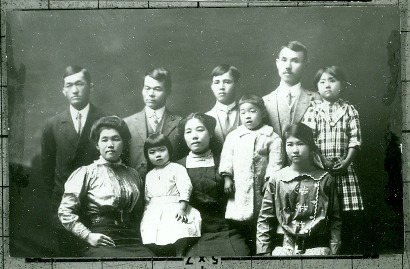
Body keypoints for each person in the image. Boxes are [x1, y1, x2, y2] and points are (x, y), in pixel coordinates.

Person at [58, 116, 155, 257]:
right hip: (103, 239)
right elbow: (65, 212)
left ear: (124, 143)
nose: (110, 144)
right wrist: (88, 236)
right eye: (104, 139)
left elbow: (140, 211)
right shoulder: (86, 172)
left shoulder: (133, 174)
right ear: (97, 145)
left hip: (132, 240)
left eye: (116, 139)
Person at [41, 65, 105, 256]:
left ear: (90, 87)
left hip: (98, 207)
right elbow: (48, 170)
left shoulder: (105, 119)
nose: (74, 90)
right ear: (63, 90)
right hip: (66, 209)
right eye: (69, 85)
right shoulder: (52, 125)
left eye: (80, 83)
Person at [302, 66, 364, 254]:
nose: (327, 85)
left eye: (332, 80)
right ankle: (323, 250)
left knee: (345, 214)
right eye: (322, 82)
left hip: (344, 168)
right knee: (323, 210)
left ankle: (344, 252)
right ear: (317, 88)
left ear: (342, 85)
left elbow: (355, 140)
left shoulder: (349, 110)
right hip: (321, 169)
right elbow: (309, 141)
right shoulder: (312, 111)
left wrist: (346, 162)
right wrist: (322, 161)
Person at [256, 123, 342, 256]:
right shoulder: (277, 179)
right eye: (290, 144)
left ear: (310, 146)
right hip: (284, 249)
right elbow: (265, 218)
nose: (295, 150)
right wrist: (263, 252)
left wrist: (334, 251)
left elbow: (335, 219)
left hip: (317, 250)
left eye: (300, 143)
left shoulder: (325, 178)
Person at [219, 94, 284, 254]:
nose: (247, 116)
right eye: (243, 112)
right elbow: (227, 157)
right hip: (239, 187)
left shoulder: (271, 137)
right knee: (240, 222)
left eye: (252, 111)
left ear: (262, 113)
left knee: (262, 219)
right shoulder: (234, 136)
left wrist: (269, 180)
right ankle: (243, 251)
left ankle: (261, 251)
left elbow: (276, 161)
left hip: (261, 187)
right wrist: (227, 178)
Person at [178, 113, 250, 256]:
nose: (194, 136)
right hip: (193, 233)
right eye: (188, 131)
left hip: (226, 229)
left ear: (210, 133)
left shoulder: (225, 165)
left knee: (241, 258)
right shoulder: (177, 167)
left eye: (200, 129)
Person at [140, 133, 201, 257]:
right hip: (154, 209)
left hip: (175, 206)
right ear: (147, 155)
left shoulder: (176, 168)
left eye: (162, 150)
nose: (158, 155)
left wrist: (182, 209)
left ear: (169, 150)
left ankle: (180, 253)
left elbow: (186, 188)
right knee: (152, 232)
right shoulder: (149, 174)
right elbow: (147, 197)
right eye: (152, 152)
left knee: (178, 230)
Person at [124, 67, 186, 179]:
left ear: (168, 92)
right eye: (147, 88)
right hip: (137, 188)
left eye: (157, 89)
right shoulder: (127, 123)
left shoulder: (181, 123)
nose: (151, 94)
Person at [263, 41, 321, 138]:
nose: (288, 66)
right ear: (277, 63)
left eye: (295, 61)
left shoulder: (317, 99)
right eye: (284, 60)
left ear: (305, 65)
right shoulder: (264, 102)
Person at [205, 64, 241, 156]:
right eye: (216, 82)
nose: (221, 87)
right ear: (212, 86)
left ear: (237, 84)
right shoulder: (205, 119)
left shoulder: (248, 115)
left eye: (227, 82)